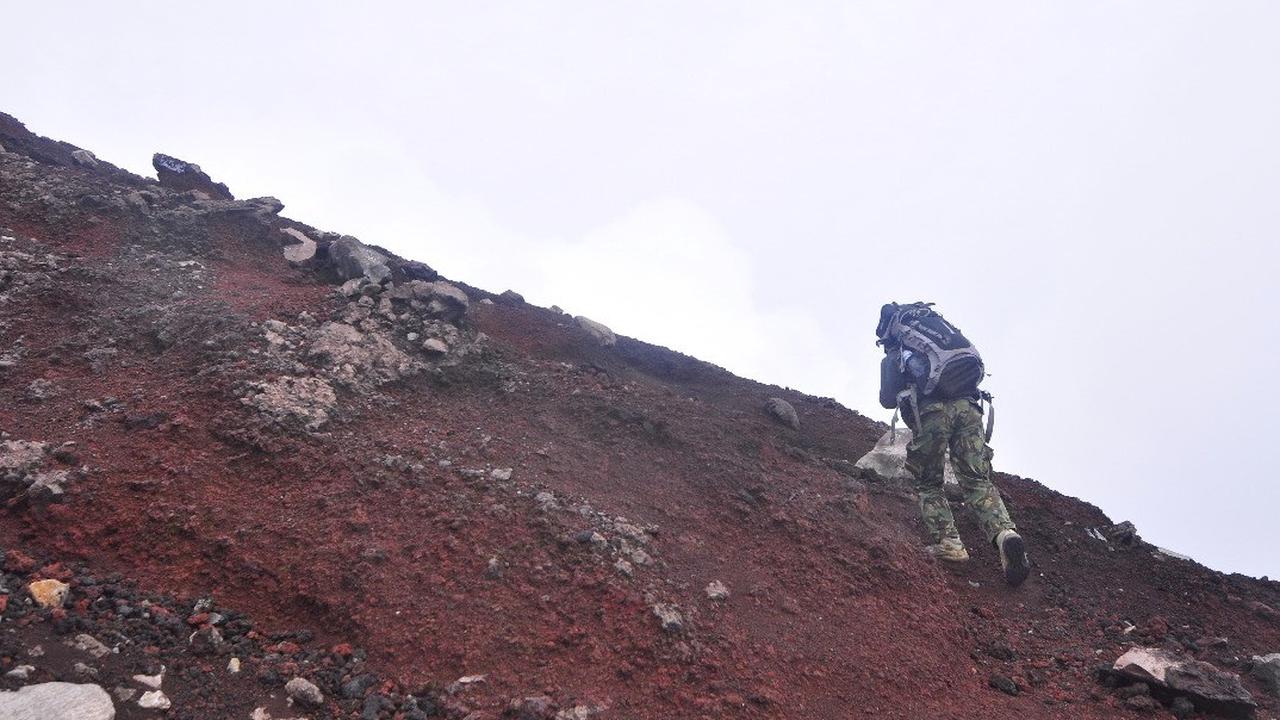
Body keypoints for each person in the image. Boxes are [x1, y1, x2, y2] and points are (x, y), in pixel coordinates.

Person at [876, 302, 1030, 587]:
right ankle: (1005, 535)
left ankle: (950, 543)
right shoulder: (943, 335)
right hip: (970, 408)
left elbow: (887, 399)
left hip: (932, 414)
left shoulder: (899, 350)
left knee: (929, 482)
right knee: (977, 481)